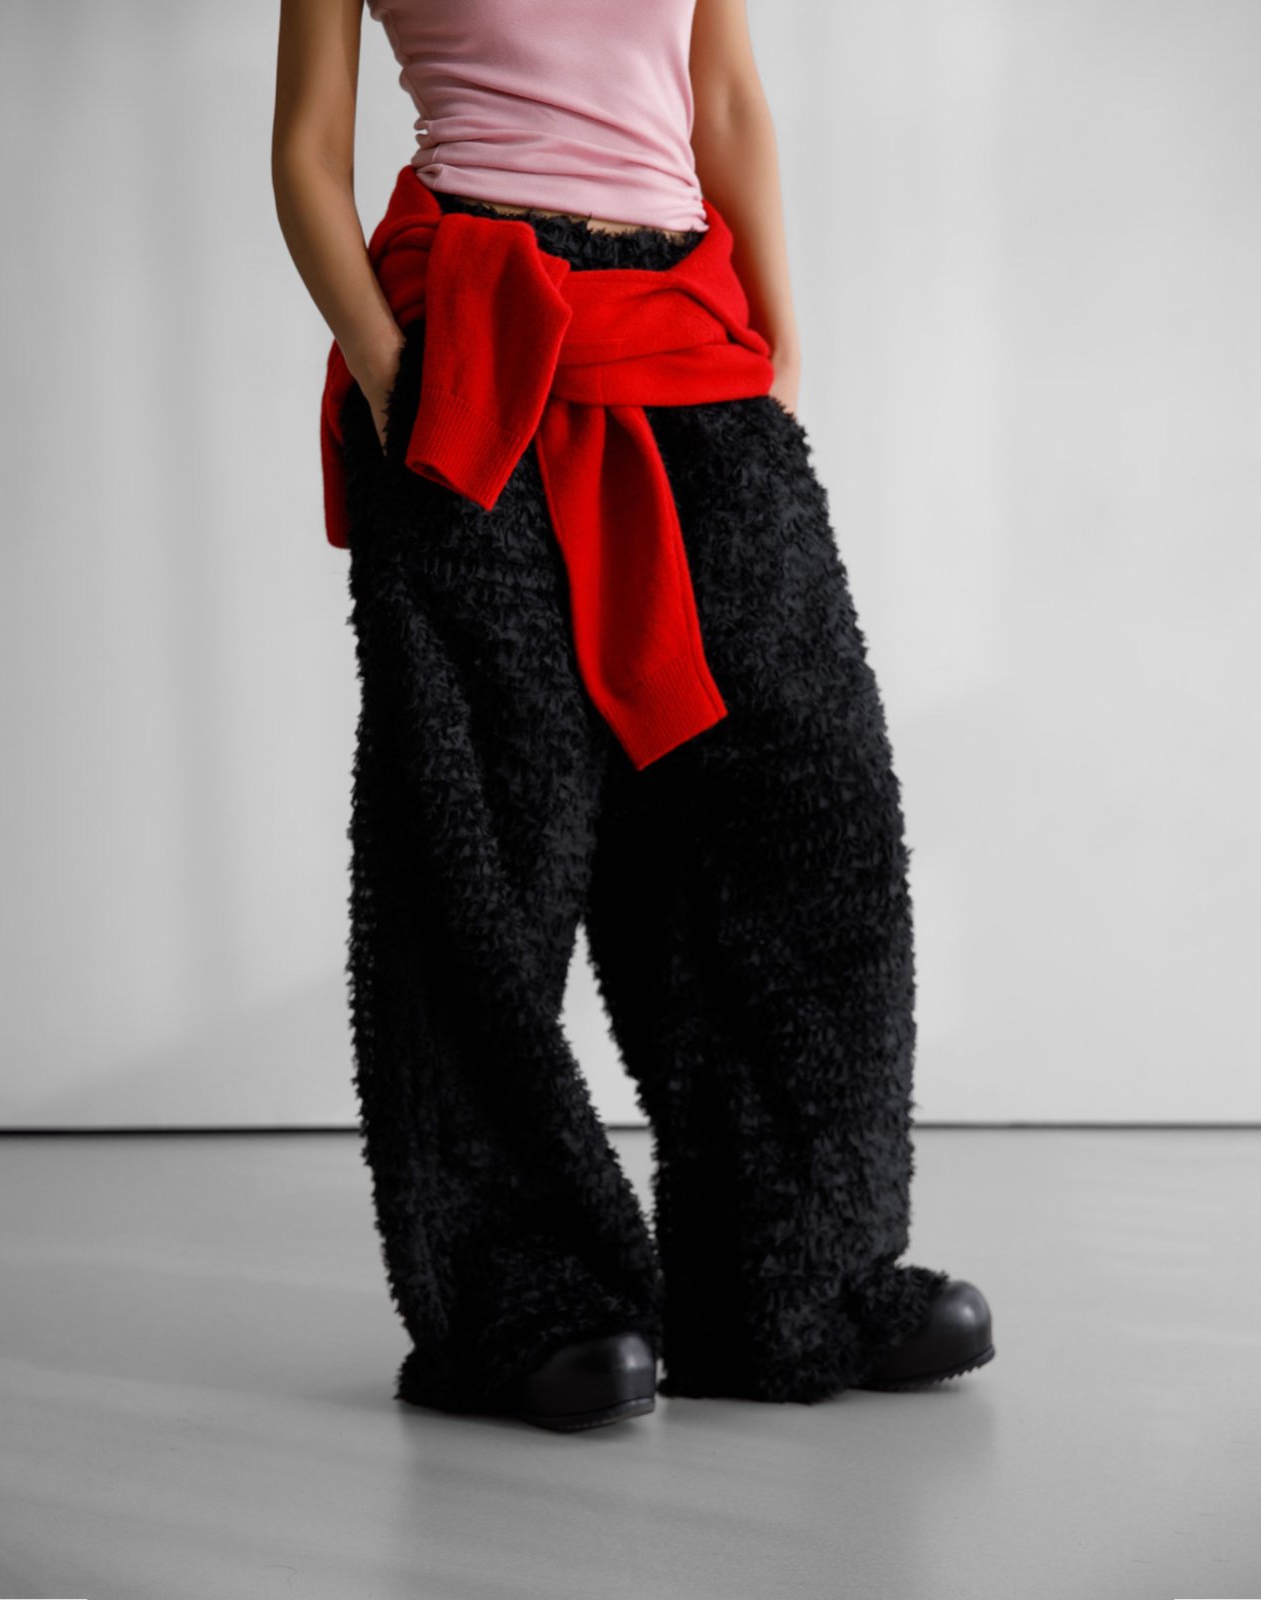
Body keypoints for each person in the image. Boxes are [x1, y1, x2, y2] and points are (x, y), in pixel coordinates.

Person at [272, 0, 995, 1433]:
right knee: (486, 854)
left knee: (805, 823)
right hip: (481, 353)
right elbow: (305, 148)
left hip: (687, 346)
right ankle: (517, 1302)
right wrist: (388, 365)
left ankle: (794, 1279)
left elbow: (723, 98)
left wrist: (778, 348)